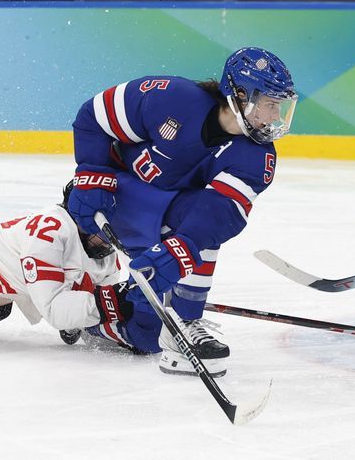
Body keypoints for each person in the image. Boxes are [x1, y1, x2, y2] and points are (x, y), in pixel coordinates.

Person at [66, 47, 297, 377]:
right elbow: (93, 117)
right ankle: (186, 318)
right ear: (241, 96)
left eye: (280, 105)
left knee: (147, 334)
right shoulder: (171, 98)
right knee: (182, 249)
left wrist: (179, 252)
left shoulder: (255, 158)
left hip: (160, 214)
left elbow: (218, 213)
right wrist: (91, 175)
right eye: (270, 104)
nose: (276, 116)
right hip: (113, 200)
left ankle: (103, 318)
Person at [0, 182, 135, 350]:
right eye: (102, 232)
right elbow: (54, 309)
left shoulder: (103, 254)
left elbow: (93, 312)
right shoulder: (49, 234)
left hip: (13, 283)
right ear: (80, 217)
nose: (109, 242)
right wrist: (113, 303)